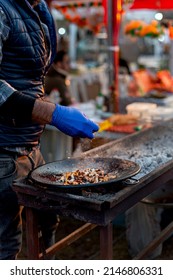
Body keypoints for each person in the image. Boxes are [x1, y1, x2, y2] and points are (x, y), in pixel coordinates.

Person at [0, 0, 99, 260]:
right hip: (3, 149)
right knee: (6, 244)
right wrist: (53, 114)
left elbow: (28, 81)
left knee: (46, 222)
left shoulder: (37, 8)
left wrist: (50, 109)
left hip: (29, 146)